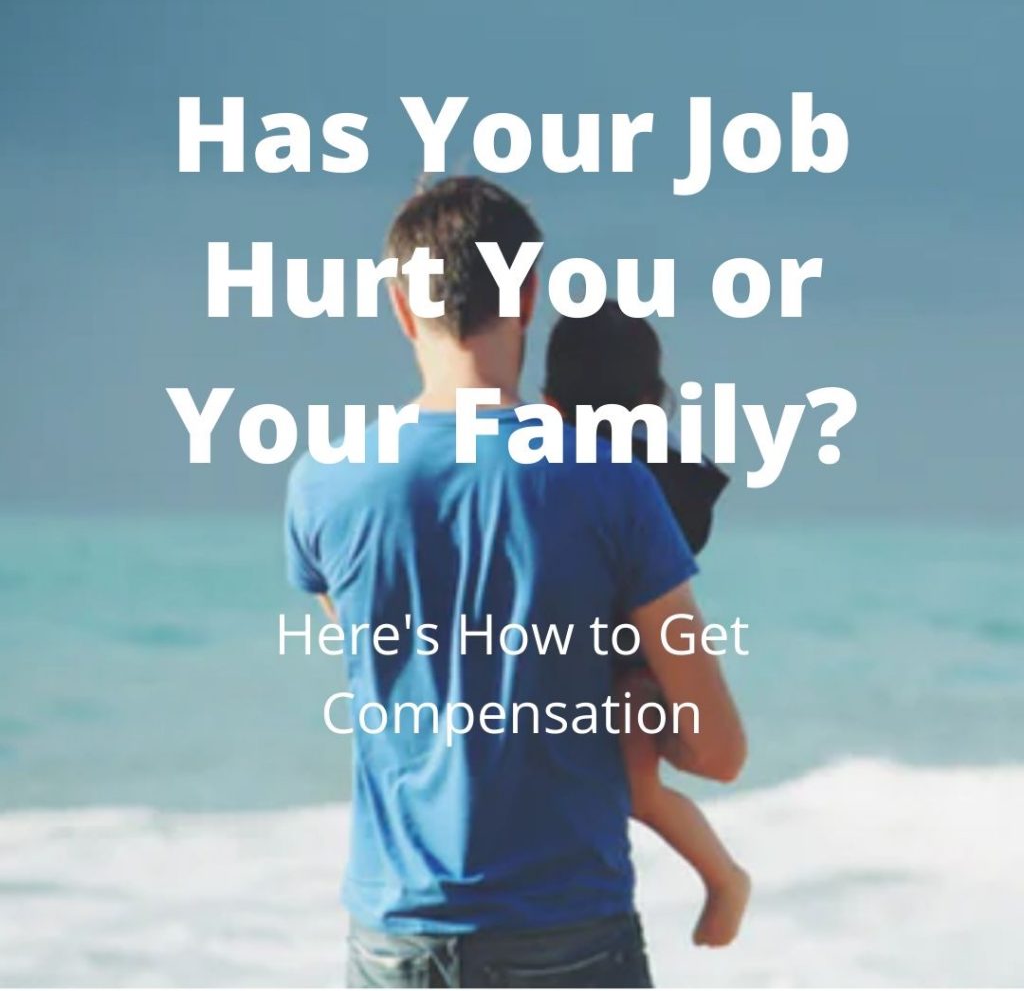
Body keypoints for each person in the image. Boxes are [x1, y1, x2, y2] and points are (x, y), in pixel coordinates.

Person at [284, 177, 746, 988]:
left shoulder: (323, 484)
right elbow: (716, 751)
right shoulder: (609, 482)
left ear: (400, 305)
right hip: (567, 930)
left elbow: (390, 664)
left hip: (397, 935)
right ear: (528, 295)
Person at [544, 305, 750, 947]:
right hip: (639, 657)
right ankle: (722, 879)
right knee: (637, 790)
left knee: (633, 788)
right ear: (651, 399)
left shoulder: (542, 468)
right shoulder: (667, 477)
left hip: (624, 663)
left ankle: (726, 879)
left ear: (548, 402)